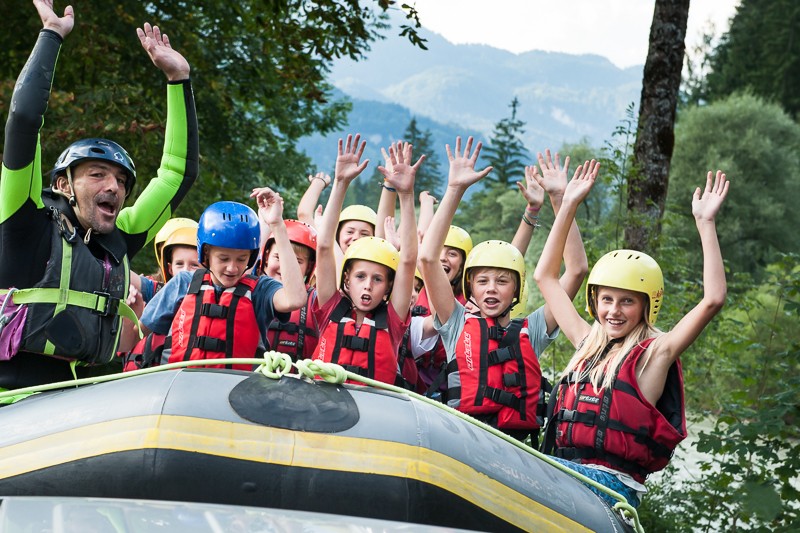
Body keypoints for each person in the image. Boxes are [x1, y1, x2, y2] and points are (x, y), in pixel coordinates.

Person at [0, 1, 198, 389]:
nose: (114, 187)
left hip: (79, 402)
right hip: (10, 397)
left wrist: (180, 79)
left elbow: (178, 173)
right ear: (62, 185)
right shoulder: (23, 218)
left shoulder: (120, 234)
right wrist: (51, 36)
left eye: (122, 181)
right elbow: (23, 122)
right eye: (97, 174)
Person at [534, 163, 729, 508]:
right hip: (566, 472)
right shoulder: (586, 341)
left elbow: (713, 299)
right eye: (607, 299)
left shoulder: (656, 354)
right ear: (596, 301)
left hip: (610, 487)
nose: (614, 310)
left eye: (627, 301)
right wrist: (564, 203)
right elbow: (545, 277)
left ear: (646, 306)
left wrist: (706, 223)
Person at [419, 137, 588, 442]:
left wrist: (561, 200)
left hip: (514, 448)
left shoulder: (533, 330)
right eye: (482, 282)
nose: (491, 290)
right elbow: (428, 258)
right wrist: (455, 190)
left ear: (516, 290)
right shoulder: (455, 321)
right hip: (462, 439)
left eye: (502, 281)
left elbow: (576, 270)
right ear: (470, 287)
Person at [139, 192, 307, 370]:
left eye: (241, 259)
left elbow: (295, 299)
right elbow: (143, 331)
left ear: (251, 258)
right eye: (224, 258)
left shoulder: (261, 290)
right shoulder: (183, 283)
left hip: (232, 394)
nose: (232, 268)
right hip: (178, 388)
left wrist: (277, 225)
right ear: (205, 254)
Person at [312, 135, 422, 384]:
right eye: (360, 276)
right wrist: (340, 183)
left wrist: (406, 195)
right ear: (347, 279)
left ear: (388, 287)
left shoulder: (393, 320)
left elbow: (407, 260)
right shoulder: (330, 307)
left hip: (372, 414)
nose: (368, 285)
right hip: (321, 407)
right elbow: (324, 244)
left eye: (378, 279)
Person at [122, 223, 201, 371]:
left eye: (194, 265)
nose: (185, 271)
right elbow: (122, 274)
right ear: (170, 267)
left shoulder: (213, 292)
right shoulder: (161, 291)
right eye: (179, 264)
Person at [261, 219, 320, 361]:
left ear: (309, 267)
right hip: (251, 379)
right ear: (267, 257)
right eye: (278, 257)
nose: (285, 266)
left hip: (298, 381)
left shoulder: (315, 301)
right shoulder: (252, 290)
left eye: (297, 261)